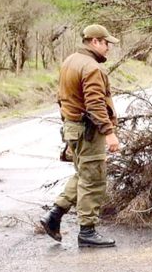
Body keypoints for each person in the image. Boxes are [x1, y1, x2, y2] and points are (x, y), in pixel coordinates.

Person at [39, 24, 120, 247]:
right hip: (89, 131)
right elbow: (95, 104)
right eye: (106, 43)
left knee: (83, 174)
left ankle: (54, 216)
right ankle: (87, 231)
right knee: (93, 178)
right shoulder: (92, 68)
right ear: (94, 41)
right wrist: (109, 132)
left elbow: (61, 98)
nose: (108, 48)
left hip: (73, 128)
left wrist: (68, 125)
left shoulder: (70, 61)